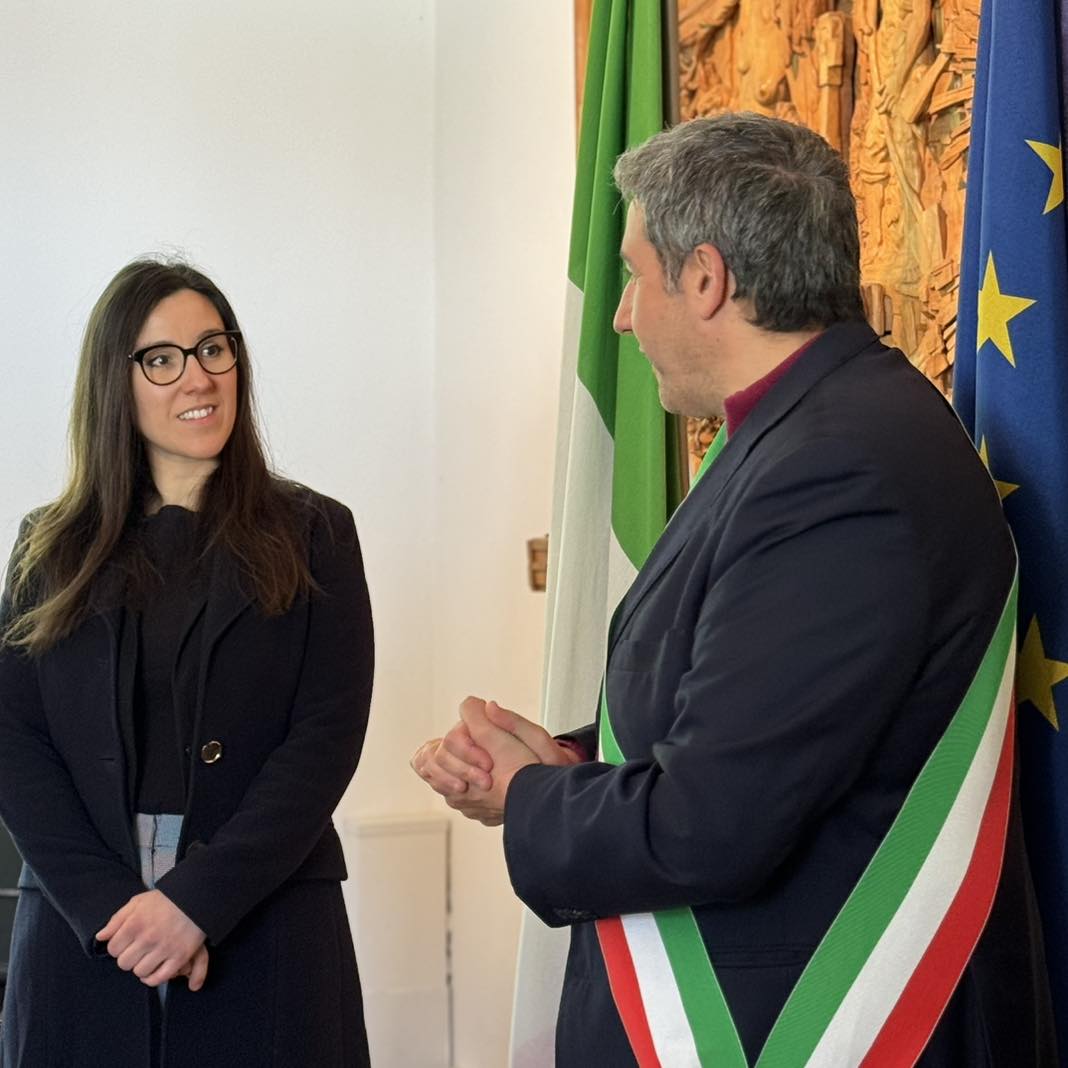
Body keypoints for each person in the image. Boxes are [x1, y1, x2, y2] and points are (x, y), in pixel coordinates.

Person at [412, 113, 1056, 1066]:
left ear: (707, 279)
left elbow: (711, 824)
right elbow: (765, 716)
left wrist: (532, 795)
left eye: (636, 276)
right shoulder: (814, 428)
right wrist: (569, 757)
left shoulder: (839, 467)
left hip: (806, 1021)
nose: (622, 316)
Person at [0, 260, 374, 1067]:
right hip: (82, 922)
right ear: (116, 383)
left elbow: (325, 739)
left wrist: (196, 904)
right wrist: (114, 911)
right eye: (162, 359)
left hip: (265, 910)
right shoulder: (47, 547)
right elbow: (15, 743)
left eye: (213, 348)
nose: (198, 377)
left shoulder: (317, 533)